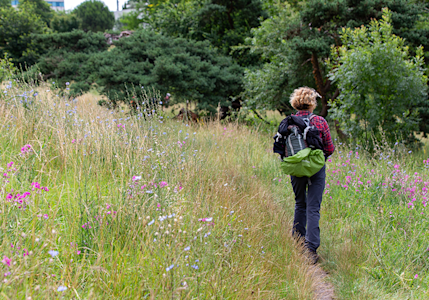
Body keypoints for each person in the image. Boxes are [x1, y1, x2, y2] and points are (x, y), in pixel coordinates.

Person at [288, 87, 335, 263]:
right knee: (313, 206)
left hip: (296, 168)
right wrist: (318, 159)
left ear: (296, 103)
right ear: (312, 103)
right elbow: (329, 148)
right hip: (316, 168)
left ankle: (298, 243)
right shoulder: (320, 122)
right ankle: (311, 249)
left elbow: (281, 148)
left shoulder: (289, 122)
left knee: (300, 203)